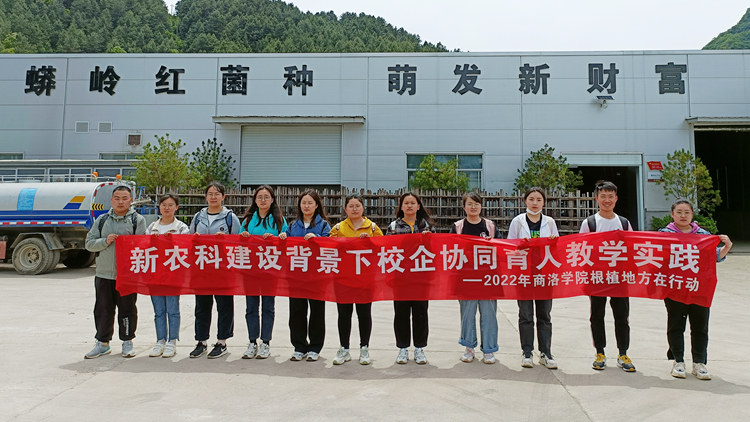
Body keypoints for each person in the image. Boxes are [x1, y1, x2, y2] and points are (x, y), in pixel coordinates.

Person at [659, 199, 732, 380]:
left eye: (687, 212)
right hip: (675, 287)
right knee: (676, 326)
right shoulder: (664, 235)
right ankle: (678, 362)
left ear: (692, 214)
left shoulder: (703, 235)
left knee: (700, 326)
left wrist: (727, 246)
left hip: (699, 288)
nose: (683, 216)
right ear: (672, 214)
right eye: (679, 212)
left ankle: (699, 363)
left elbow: (715, 257)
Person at [84, 185, 147, 359]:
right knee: (103, 310)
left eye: (124, 198)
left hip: (127, 276)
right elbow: (89, 244)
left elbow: (143, 245)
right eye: (117, 198)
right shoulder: (102, 220)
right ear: (111, 200)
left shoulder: (137, 220)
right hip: (104, 274)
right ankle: (102, 343)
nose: (120, 202)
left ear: (130, 200)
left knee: (127, 309)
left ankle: (127, 342)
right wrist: (105, 241)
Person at [579, 180, 636, 372]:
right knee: (597, 315)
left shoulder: (624, 223)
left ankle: (623, 353)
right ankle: (600, 353)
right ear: (596, 198)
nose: (607, 200)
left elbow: (632, 250)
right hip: (597, 277)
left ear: (616, 199)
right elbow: (582, 250)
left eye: (610, 196)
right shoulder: (589, 223)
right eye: (603, 196)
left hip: (619, 278)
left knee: (622, 316)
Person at [507, 187, 559, 369]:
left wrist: (553, 242)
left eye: (538, 199)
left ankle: (546, 353)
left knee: (544, 315)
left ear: (544, 202)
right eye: (531, 199)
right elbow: (510, 247)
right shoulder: (517, 222)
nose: (535, 203)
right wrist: (520, 246)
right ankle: (527, 352)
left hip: (544, 276)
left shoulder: (550, 222)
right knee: (526, 315)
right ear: (525, 201)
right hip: (524, 276)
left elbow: (557, 250)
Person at [329, 193, 383, 365]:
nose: (354, 209)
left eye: (357, 206)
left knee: (364, 314)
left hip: (365, 279)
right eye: (351, 206)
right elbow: (329, 248)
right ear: (345, 209)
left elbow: (383, 249)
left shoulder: (372, 228)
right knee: (344, 314)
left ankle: (364, 348)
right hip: (343, 278)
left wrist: (370, 242)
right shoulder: (338, 228)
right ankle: (344, 349)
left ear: (363, 208)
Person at [189, 182, 242, 359]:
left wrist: (226, 240)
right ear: (206, 197)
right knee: (202, 306)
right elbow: (189, 240)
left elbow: (238, 243)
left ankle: (222, 342)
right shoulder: (198, 217)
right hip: (202, 267)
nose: (213, 197)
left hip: (223, 269)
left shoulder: (230, 217)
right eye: (210, 194)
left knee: (224, 306)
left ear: (223, 197)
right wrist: (195, 239)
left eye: (217, 194)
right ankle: (201, 341)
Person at [279, 189, 331, 362]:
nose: (306, 206)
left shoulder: (323, 225)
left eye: (310, 203)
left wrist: (317, 238)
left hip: (317, 276)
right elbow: (284, 249)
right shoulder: (293, 226)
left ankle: (315, 347)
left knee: (317, 312)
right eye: (303, 203)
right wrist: (283, 237)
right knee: (297, 312)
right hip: (296, 276)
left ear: (316, 205)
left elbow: (330, 246)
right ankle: (299, 346)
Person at [449, 192, 502, 364]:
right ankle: (469, 348)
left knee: (489, 315)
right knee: (467, 314)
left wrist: (492, 243)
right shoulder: (457, 227)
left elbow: (502, 248)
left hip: (488, 279)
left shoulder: (490, 226)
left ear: (481, 206)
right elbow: (449, 250)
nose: (473, 207)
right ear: (464, 207)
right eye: (470, 204)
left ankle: (489, 350)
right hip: (466, 279)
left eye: (476, 204)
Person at [385, 192, 435, 365]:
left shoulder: (426, 226)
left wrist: (429, 241)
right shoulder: (393, 227)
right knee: (401, 314)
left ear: (418, 206)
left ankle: (419, 348)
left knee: (421, 313)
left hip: (421, 278)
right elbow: (387, 252)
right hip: (400, 278)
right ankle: (403, 348)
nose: (409, 206)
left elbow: (434, 252)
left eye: (413, 203)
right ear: (401, 206)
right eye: (406, 203)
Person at [239, 185, 287, 360]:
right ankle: (252, 342)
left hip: (270, 269)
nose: (263, 200)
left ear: (272, 200)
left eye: (266, 197)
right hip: (250, 269)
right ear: (255, 200)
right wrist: (244, 236)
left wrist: (278, 238)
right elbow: (238, 241)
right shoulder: (248, 219)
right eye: (260, 197)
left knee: (268, 307)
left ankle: (265, 342)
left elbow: (285, 239)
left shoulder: (279, 219)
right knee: (251, 307)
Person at [145, 194, 190, 358]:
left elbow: (187, 248)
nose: (167, 208)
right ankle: (160, 340)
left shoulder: (182, 228)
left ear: (176, 207)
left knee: (172, 310)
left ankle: (172, 341)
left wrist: (173, 241)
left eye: (171, 205)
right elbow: (143, 247)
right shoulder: (152, 227)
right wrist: (153, 241)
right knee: (159, 311)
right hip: (155, 274)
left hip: (173, 274)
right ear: (159, 207)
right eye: (164, 204)